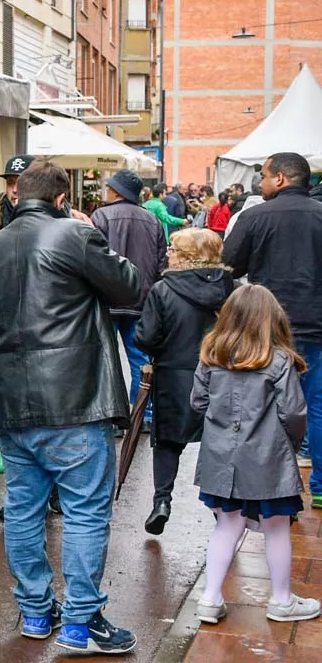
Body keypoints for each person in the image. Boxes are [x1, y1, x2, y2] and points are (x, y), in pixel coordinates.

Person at [0, 161, 142, 654]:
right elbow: (131, 287)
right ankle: (83, 621)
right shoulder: (74, 236)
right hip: (75, 401)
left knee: (23, 510)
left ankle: (37, 612)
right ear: (62, 199)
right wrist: (90, 233)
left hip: (13, 403)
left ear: (17, 195)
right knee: (85, 511)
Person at [192, 284, 319, 626]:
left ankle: (210, 598)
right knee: (277, 528)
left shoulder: (212, 355)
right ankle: (281, 600)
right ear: (271, 320)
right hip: (268, 457)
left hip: (220, 457)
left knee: (226, 525)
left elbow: (197, 403)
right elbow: (293, 413)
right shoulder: (279, 360)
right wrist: (288, 446)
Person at [224, 153, 322, 508]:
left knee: (270, 406)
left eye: (263, 176)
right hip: (316, 325)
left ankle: (279, 492)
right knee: (317, 405)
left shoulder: (253, 216)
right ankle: (321, 487)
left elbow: (230, 264)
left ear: (280, 179)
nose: (260, 183)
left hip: (270, 326)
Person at [135, 229, 233, 535]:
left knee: (166, 443)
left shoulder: (163, 290)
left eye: (174, 249)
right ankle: (223, 510)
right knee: (218, 443)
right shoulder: (231, 289)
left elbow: (147, 337)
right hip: (221, 375)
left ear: (189, 256)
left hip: (174, 375)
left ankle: (162, 501)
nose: (168, 253)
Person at [91, 169, 167, 416]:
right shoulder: (152, 220)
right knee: (140, 359)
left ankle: (112, 414)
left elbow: (93, 258)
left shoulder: (101, 216)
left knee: (104, 360)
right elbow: (161, 263)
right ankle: (143, 414)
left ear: (117, 191)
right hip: (141, 299)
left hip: (106, 299)